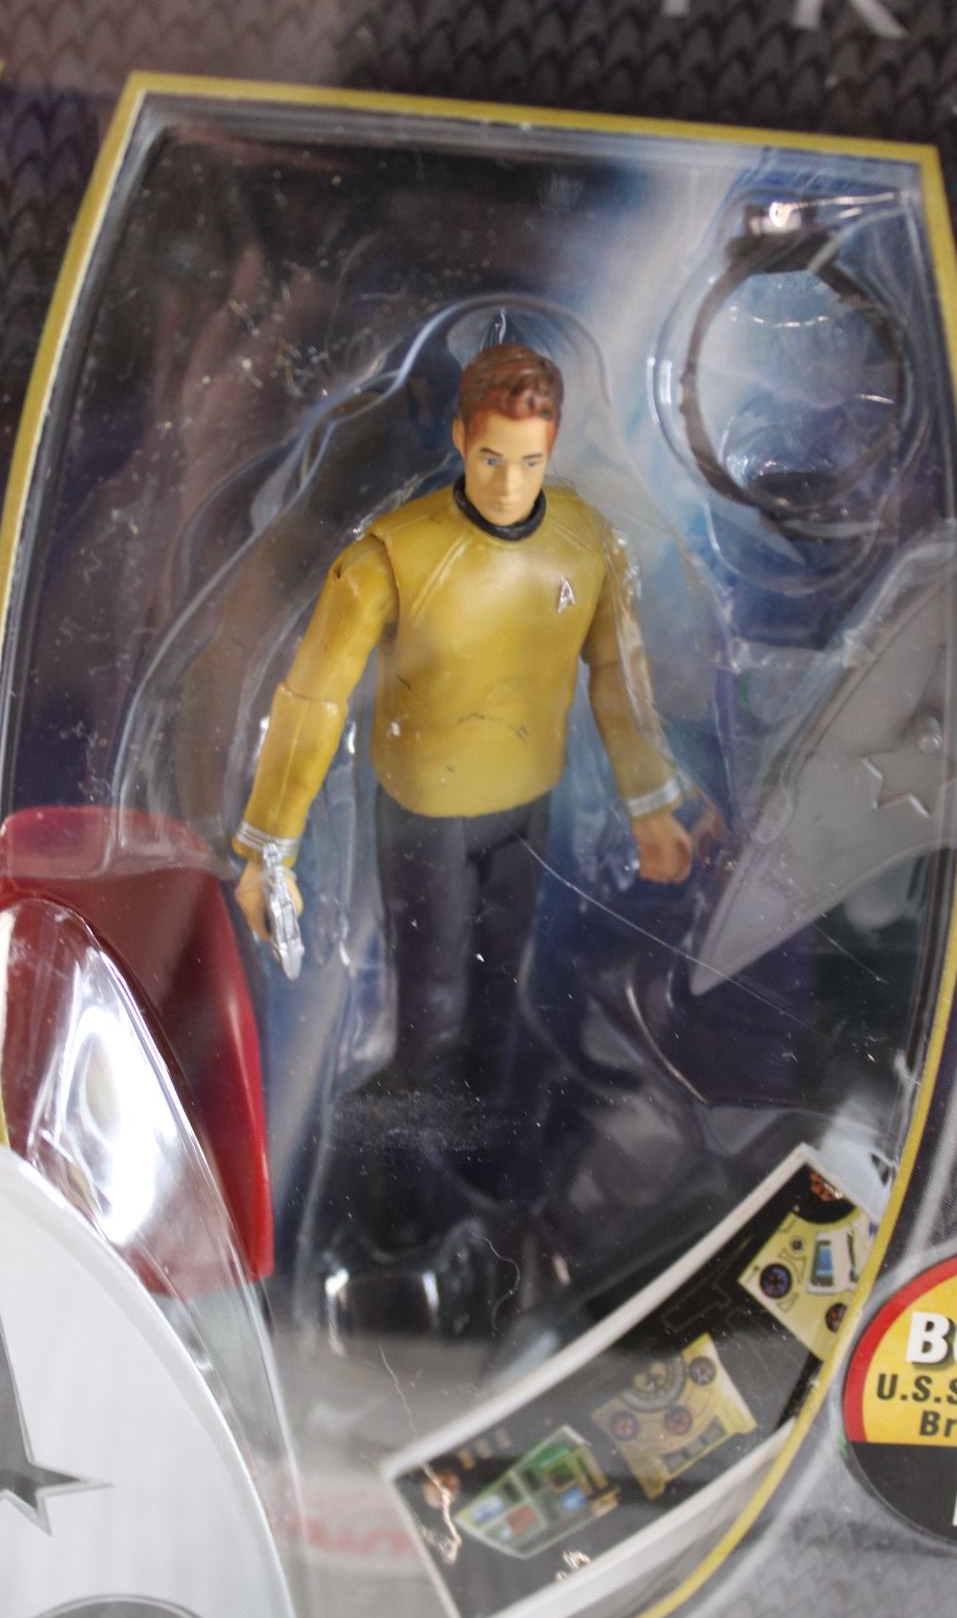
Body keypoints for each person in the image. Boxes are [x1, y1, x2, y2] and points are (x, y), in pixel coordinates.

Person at [234, 344, 696, 1094]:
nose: (509, 485)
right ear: (459, 437)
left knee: (502, 980)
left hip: (528, 798)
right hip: (425, 812)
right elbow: (311, 701)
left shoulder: (586, 543)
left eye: (529, 462)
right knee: (432, 994)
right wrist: (269, 850)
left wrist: (650, 805)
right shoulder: (391, 557)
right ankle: (416, 1117)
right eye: (491, 459)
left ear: (552, 448)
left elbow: (620, 676)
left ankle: (490, 1117)